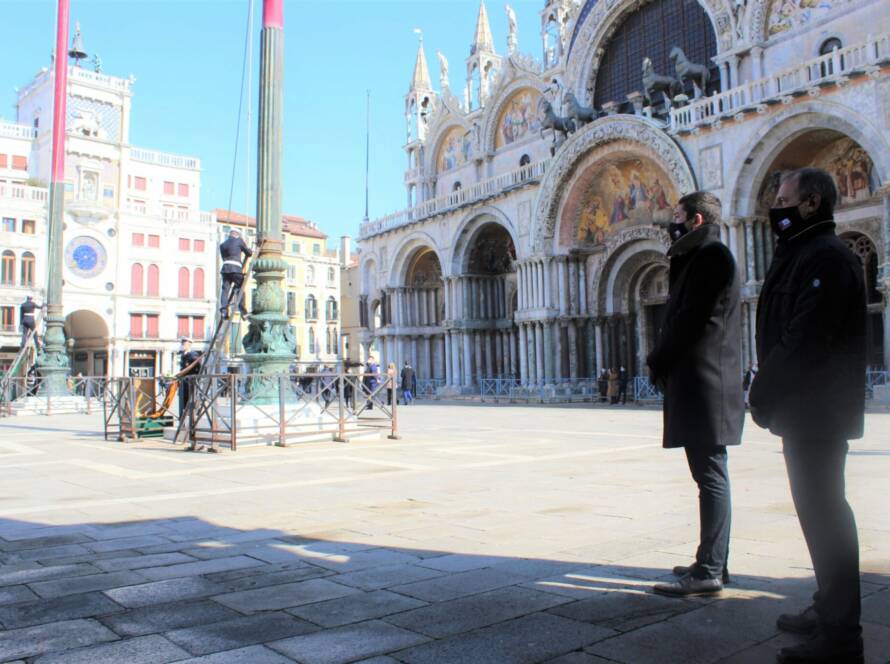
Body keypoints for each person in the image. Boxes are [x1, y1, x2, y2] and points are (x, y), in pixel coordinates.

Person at [749, 168, 865, 664]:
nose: (777, 204)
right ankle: (828, 606)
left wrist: (761, 389)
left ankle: (840, 636)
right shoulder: (805, 252)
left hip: (817, 408)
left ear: (811, 203)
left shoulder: (826, 256)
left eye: (784, 197)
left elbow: (804, 338)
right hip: (806, 409)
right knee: (817, 513)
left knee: (827, 515)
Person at [647, 191, 743, 597]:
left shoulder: (712, 257)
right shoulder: (701, 257)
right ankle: (713, 559)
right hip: (701, 381)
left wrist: (659, 358)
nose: (672, 223)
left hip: (707, 383)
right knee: (708, 475)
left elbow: (690, 319)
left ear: (696, 220)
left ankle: (709, 570)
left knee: (710, 476)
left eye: (677, 216)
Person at [218, 229, 252, 319]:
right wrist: (249, 249)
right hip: (236, 268)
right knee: (240, 289)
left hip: (225, 269)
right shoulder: (239, 241)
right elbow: (249, 253)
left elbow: (224, 258)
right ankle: (243, 312)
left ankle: (224, 311)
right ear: (237, 235)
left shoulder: (222, 245)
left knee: (225, 290)